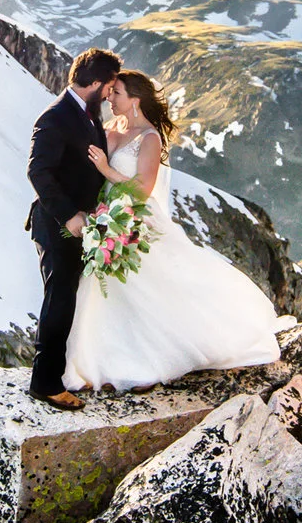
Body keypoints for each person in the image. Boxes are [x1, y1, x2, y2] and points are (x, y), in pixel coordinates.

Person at [63, 69, 281, 392]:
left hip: (136, 218)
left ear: (135, 100)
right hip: (106, 216)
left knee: (145, 289)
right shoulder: (109, 128)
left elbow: (142, 188)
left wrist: (107, 170)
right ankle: (103, 361)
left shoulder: (149, 138)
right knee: (105, 291)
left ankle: (148, 363)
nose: (110, 98)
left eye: (117, 93)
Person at [25, 48, 123, 407]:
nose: (110, 95)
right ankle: (45, 383)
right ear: (94, 83)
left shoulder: (89, 113)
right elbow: (38, 172)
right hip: (55, 223)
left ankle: (62, 373)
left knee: (69, 297)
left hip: (83, 225)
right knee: (60, 297)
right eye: (109, 87)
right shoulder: (55, 117)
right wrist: (69, 215)